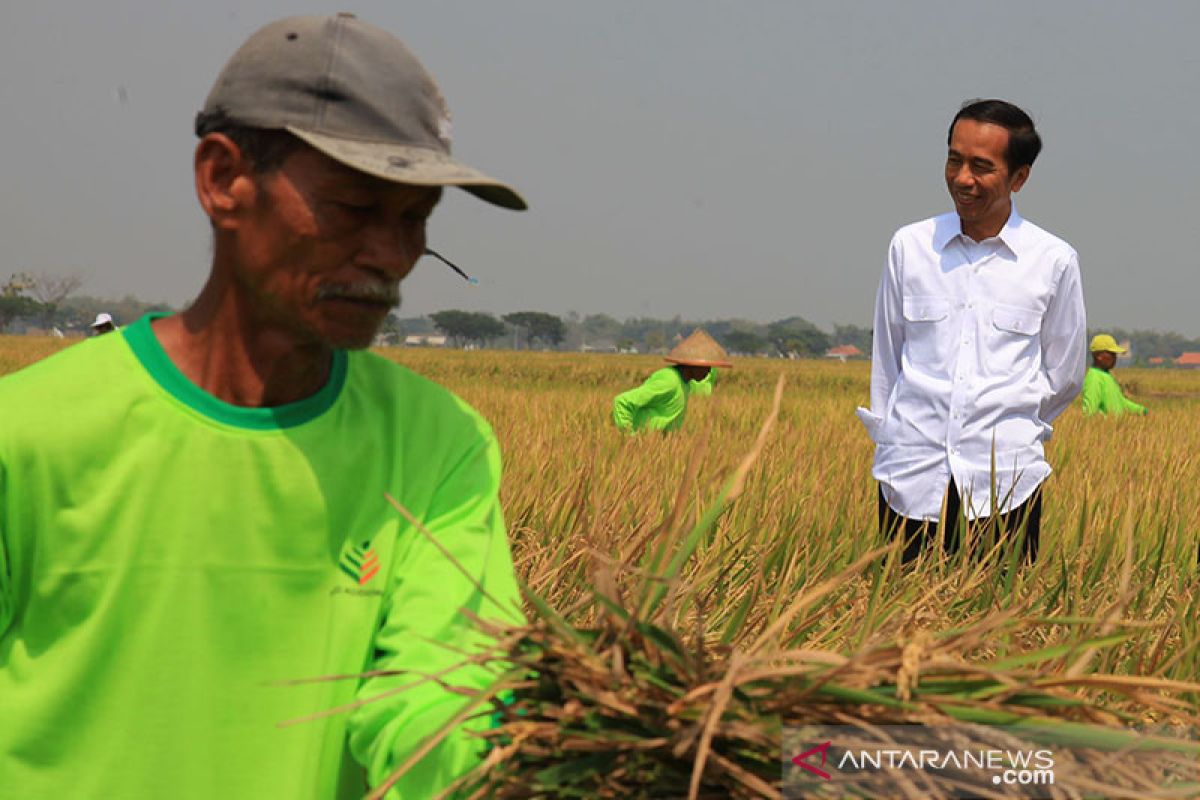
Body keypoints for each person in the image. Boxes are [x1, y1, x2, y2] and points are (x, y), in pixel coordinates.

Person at [0, 14, 525, 800]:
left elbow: (438, 704)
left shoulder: (436, 446)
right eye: (352, 210)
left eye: (414, 219)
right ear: (223, 181)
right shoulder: (28, 433)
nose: (390, 256)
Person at [857, 99, 1086, 565]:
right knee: (899, 624)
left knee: (999, 625)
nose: (963, 178)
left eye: (981, 166)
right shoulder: (910, 246)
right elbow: (888, 356)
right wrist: (893, 440)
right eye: (954, 160)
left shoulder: (1053, 260)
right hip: (911, 477)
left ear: (1019, 178)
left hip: (1005, 483)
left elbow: (1064, 376)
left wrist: (1009, 418)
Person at [613, 329, 731, 433]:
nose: (709, 372)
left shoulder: (685, 384)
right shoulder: (669, 381)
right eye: (705, 367)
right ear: (691, 364)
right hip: (643, 442)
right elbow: (622, 402)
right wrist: (629, 437)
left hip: (659, 446)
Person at [1080, 333, 1147, 417]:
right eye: (1111, 354)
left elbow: (1121, 402)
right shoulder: (1094, 378)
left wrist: (1141, 410)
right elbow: (1089, 411)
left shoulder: (1107, 376)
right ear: (1099, 356)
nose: (1115, 357)